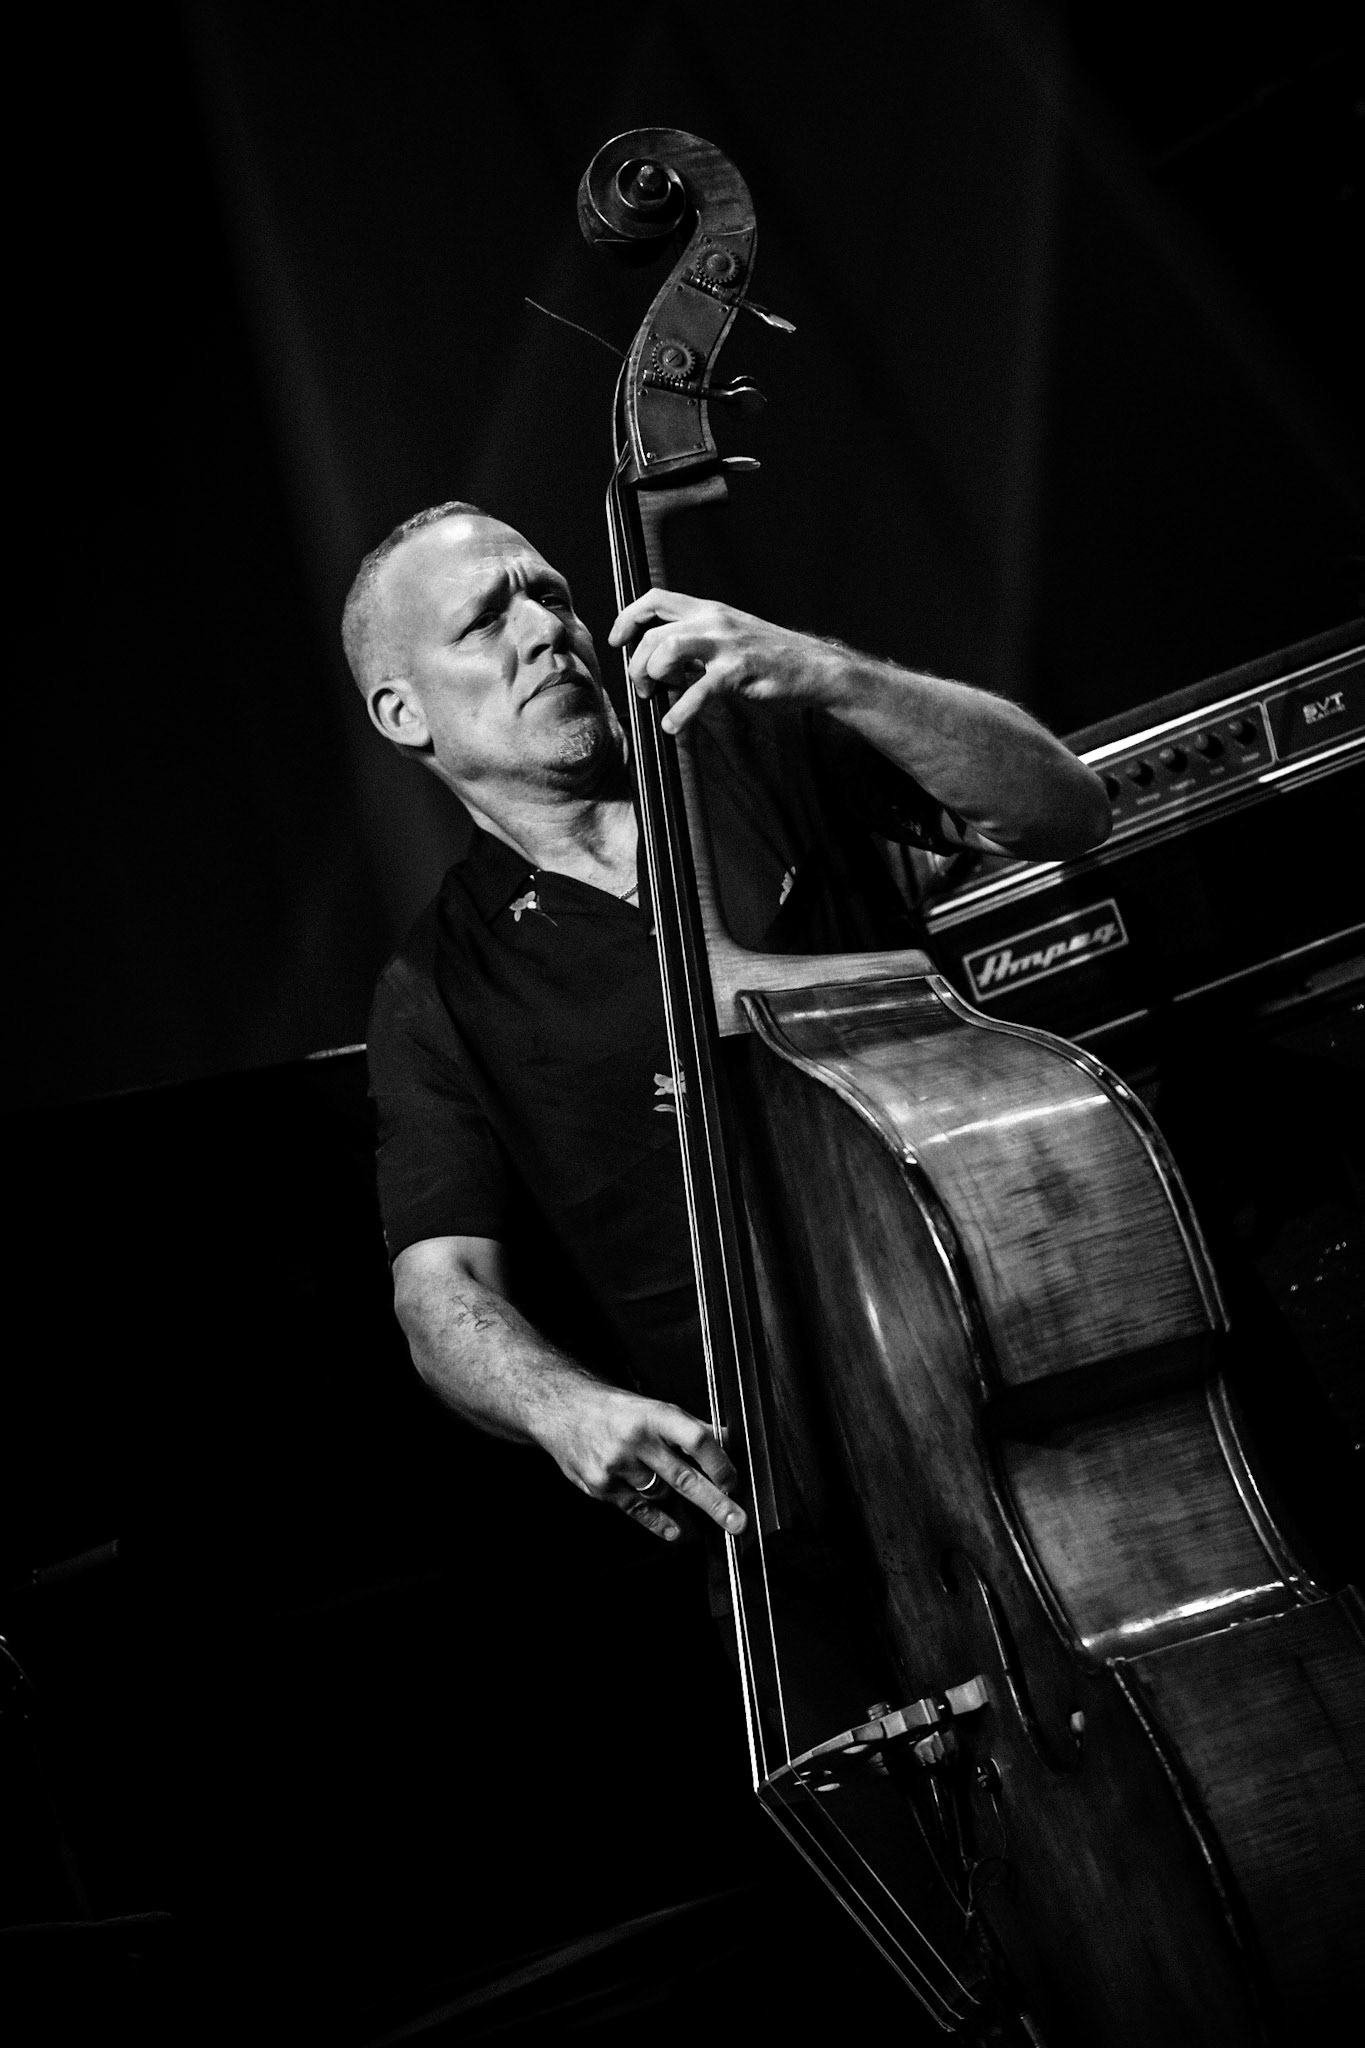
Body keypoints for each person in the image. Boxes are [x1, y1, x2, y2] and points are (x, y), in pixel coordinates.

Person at [345, 499, 1111, 1555]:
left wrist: (832, 672)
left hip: (1039, 1347)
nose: (545, 633)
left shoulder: (747, 744)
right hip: (791, 1496)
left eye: (553, 597)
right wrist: (561, 1403)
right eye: (486, 621)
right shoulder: (434, 984)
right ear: (403, 713)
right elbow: (441, 1291)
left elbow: (1066, 808)